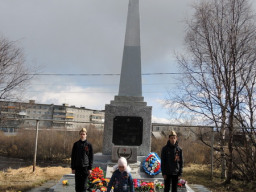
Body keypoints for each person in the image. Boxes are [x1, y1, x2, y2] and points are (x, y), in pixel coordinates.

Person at [71, 128, 93, 192]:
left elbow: (91, 157)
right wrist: (73, 168)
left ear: (86, 135)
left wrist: (90, 168)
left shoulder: (89, 145)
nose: (82, 135)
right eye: (81, 134)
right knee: (78, 186)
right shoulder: (76, 144)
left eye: (84, 134)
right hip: (78, 167)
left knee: (84, 186)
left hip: (85, 168)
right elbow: (73, 156)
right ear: (79, 135)